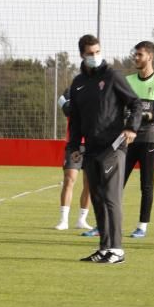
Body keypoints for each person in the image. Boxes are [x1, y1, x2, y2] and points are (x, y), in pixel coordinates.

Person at [65, 34, 142, 264]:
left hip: (113, 147)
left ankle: (117, 249)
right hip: (90, 149)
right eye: (90, 53)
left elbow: (135, 103)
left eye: (97, 51)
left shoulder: (112, 75)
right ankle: (104, 247)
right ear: (82, 55)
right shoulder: (78, 83)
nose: (95, 56)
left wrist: (131, 128)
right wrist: (73, 146)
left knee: (111, 197)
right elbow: (76, 118)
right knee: (97, 198)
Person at [122, 40, 154, 239]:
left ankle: (142, 226)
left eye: (140, 54)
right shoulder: (127, 81)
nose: (136, 58)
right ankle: (104, 222)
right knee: (116, 181)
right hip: (127, 138)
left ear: (149, 57)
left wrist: (141, 115)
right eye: (135, 54)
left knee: (146, 184)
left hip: (149, 138)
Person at [54, 86, 92, 231]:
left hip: (92, 144)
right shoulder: (73, 89)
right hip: (74, 144)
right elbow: (62, 102)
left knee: (89, 183)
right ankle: (63, 220)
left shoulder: (99, 89)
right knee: (69, 179)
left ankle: (82, 219)